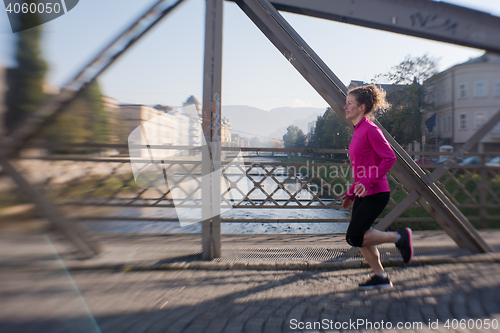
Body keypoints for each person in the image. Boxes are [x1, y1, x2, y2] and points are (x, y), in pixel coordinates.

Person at [341, 84, 413, 289]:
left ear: (361, 107)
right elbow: (361, 168)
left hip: (376, 192)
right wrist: (351, 193)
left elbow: (389, 157)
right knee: (361, 237)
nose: (345, 107)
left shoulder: (371, 129)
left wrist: (366, 182)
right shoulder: (358, 130)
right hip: (364, 192)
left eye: (349, 104)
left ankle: (399, 237)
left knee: (354, 236)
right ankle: (380, 277)